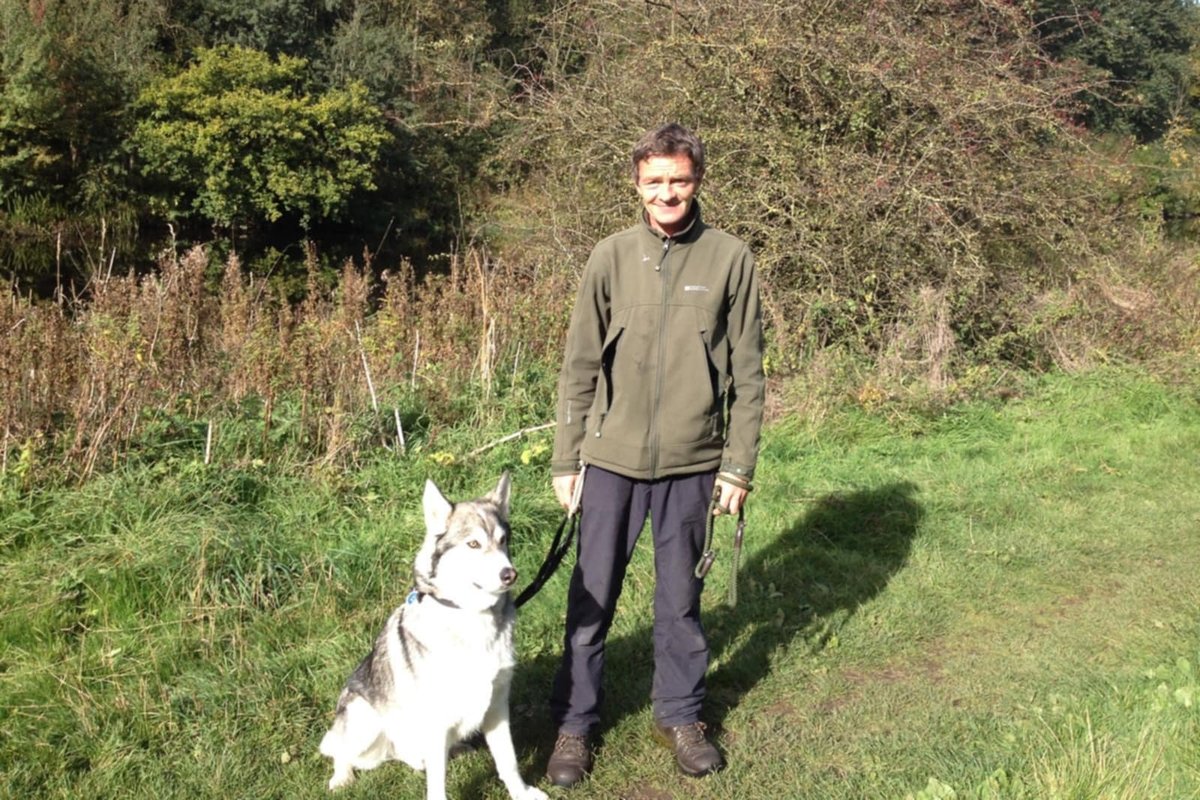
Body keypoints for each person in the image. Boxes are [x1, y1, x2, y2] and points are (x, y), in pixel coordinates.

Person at [546, 122, 765, 787]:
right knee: (592, 603)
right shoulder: (610, 256)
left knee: (680, 605)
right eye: (654, 182)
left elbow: (750, 376)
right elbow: (579, 364)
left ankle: (680, 715)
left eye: (679, 180)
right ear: (637, 185)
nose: (667, 192)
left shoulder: (731, 258)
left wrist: (738, 465)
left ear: (697, 182)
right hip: (609, 463)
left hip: (694, 465)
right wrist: (566, 459)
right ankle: (574, 726)